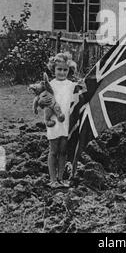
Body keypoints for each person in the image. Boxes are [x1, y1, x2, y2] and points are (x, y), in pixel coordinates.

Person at [38, 52, 78, 189]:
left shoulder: (71, 85)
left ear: (69, 70)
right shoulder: (50, 85)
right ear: (53, 69)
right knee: (53, 150)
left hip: (66, 122)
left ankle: (61, 178)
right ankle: (52, 179)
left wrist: (83, 86)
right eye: (59, 69)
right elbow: (41, 100)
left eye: (65, 70)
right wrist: (41, 101)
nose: (62, 72)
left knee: (63, 151)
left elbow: (80, 96)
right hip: (53, 122)